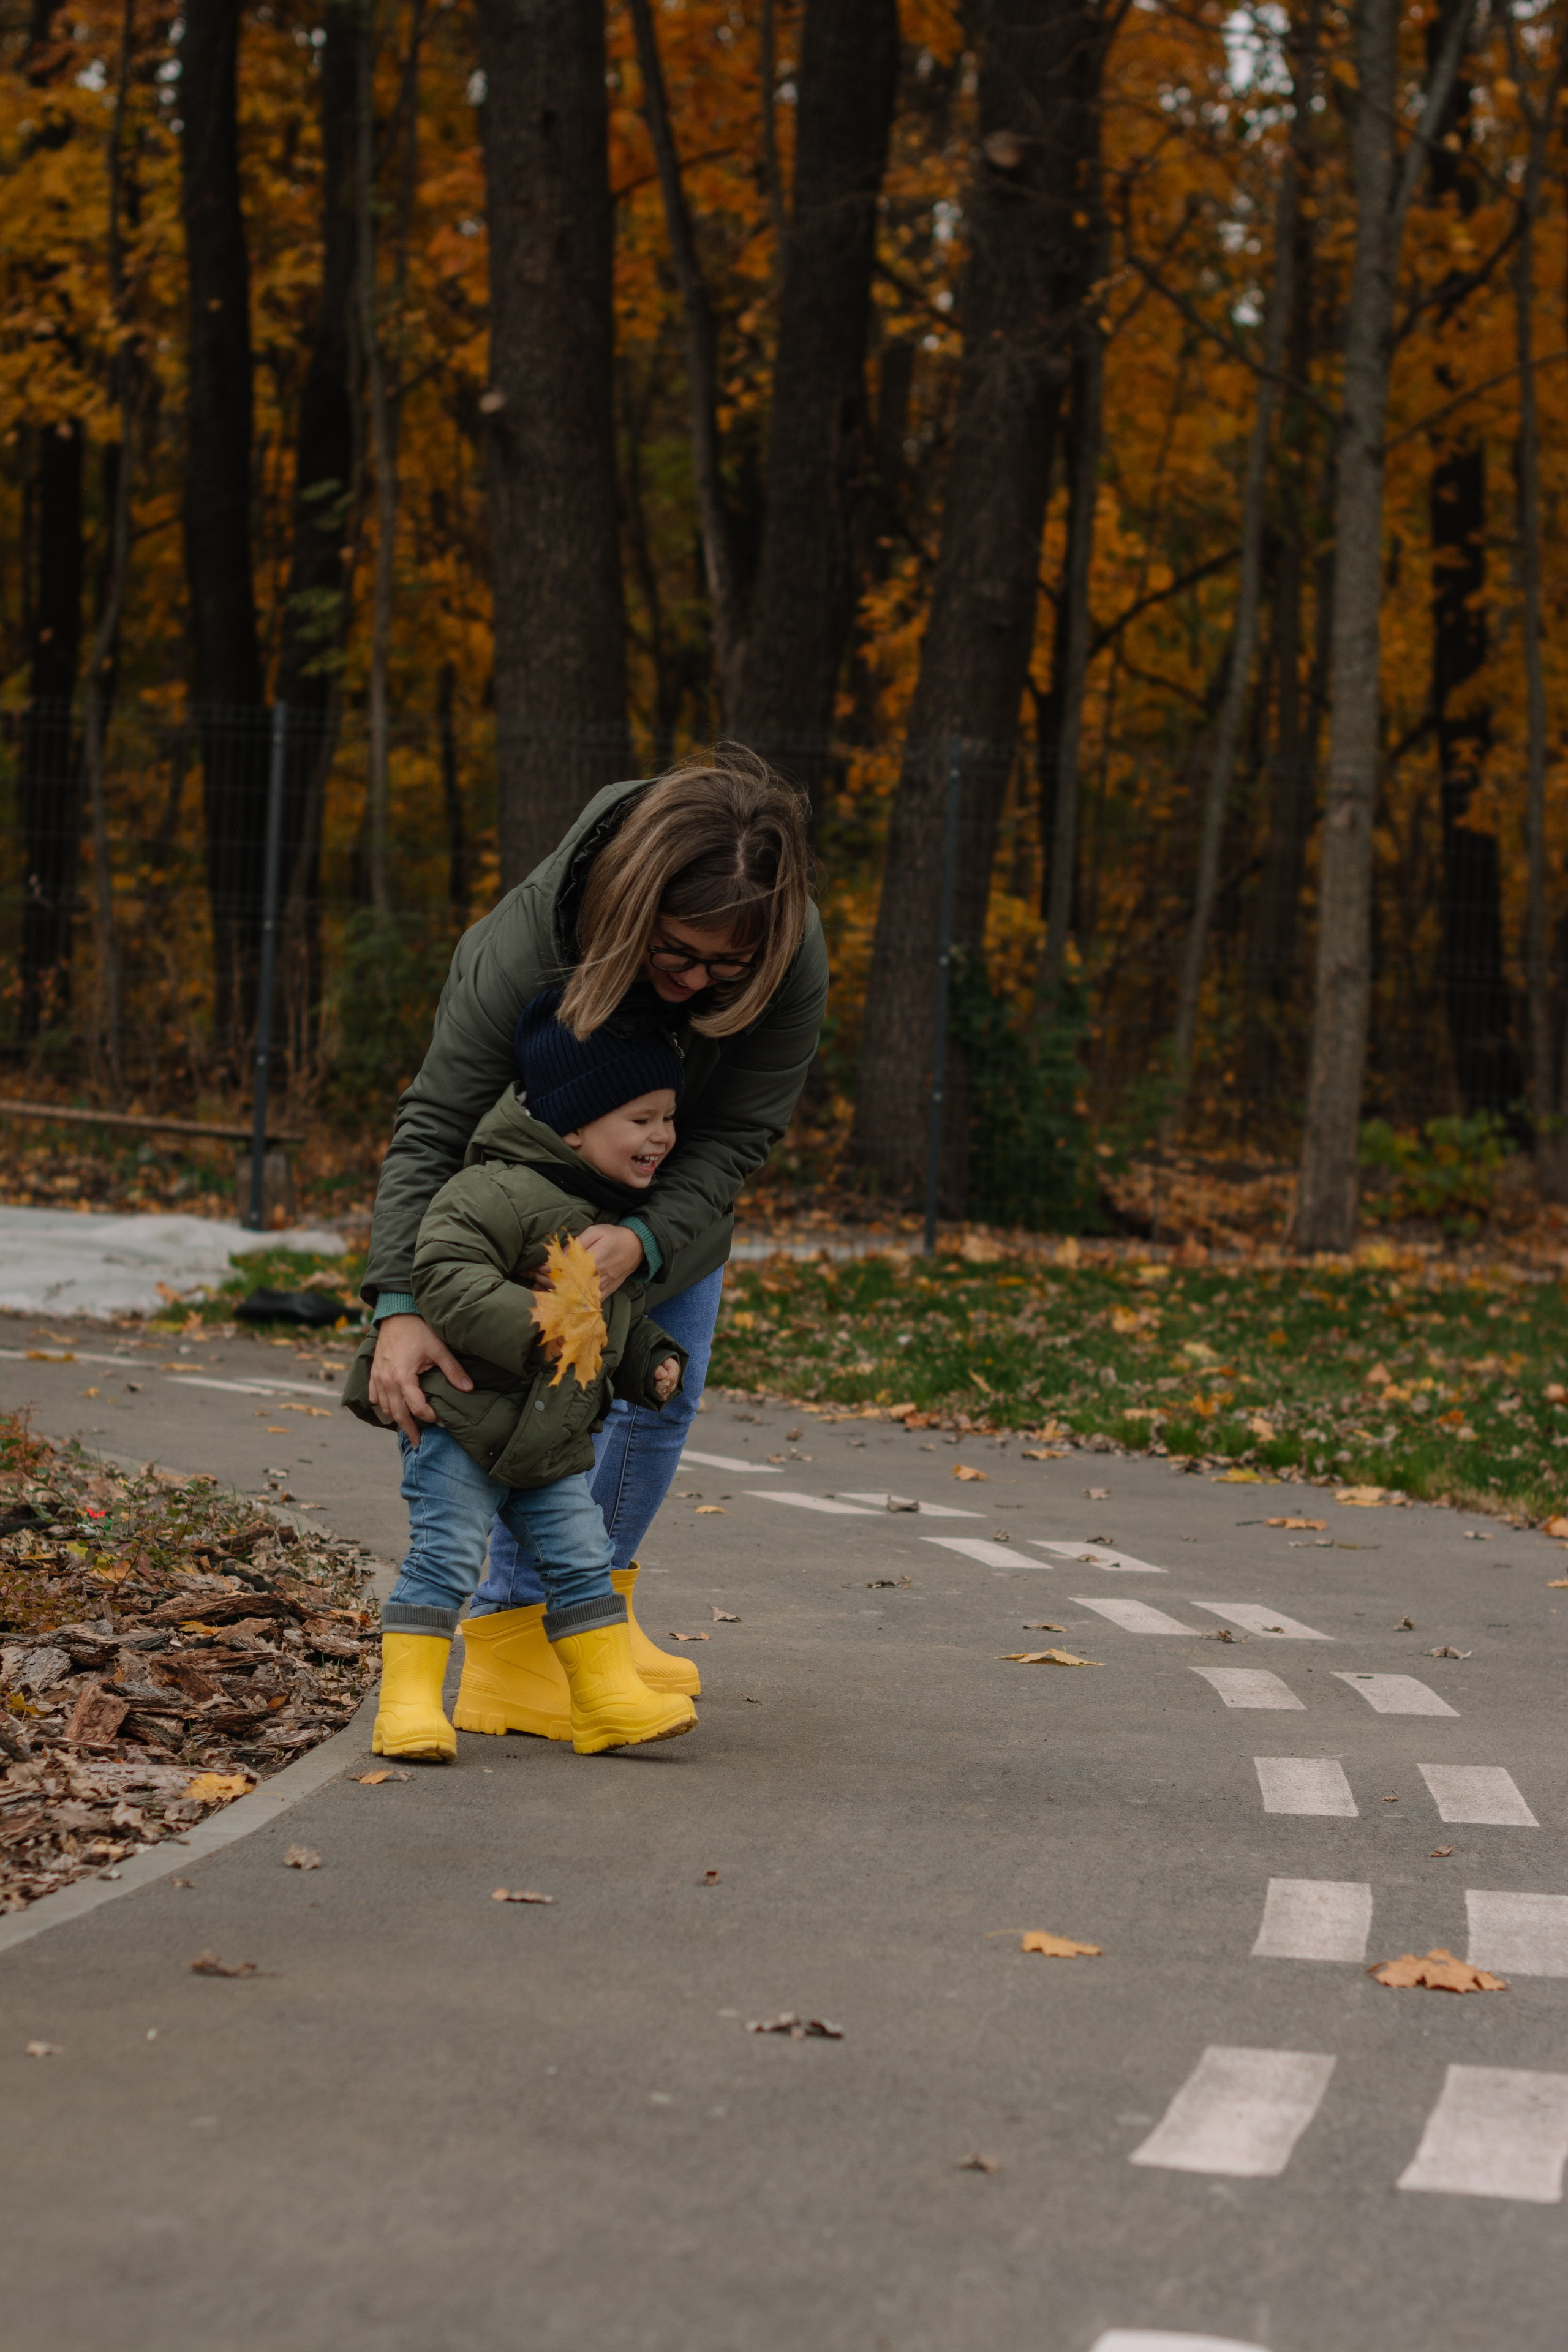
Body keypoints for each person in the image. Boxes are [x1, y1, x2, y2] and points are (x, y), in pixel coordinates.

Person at [360, 748, 826, 1736]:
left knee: (661, 1395)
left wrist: (646, 1244)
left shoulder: (786, 953)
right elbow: (435, 1121)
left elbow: (739, 1133)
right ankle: (511, 1637)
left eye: (728, 968)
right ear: (630, 913)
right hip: (522, 1198)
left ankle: (589, 1616)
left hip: (668, 1190)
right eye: (680, 957)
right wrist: (398, 1308)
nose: (702, 984)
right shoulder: (527, 947)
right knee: (516, 1398)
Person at [345, 991, 697, 1758]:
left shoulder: (612, 1218)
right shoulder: (491, 1190)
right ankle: (406, 1705)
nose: (662, 1137)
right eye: (641, 1120)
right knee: (445, 1557)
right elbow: (444, 1274)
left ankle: (605, 1698)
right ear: (572, 1124)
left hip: (553, 1442)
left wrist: (651, 1361)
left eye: (668, 1118)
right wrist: (542, 1326)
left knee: (581, 1561)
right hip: (463, 1427)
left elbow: (617, 1316)